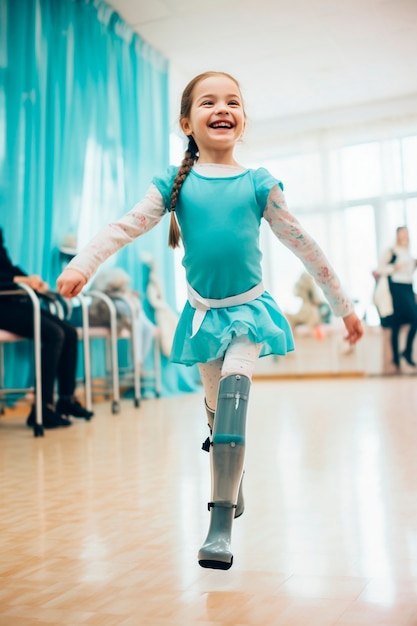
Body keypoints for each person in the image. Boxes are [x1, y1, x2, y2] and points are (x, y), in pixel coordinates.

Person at [57, 71, 363, 569]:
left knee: (236, 394)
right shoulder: (174, 186)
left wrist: (344, 306)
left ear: (242, 120)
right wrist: (83, 264)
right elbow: (124, 228)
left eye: (233, 101)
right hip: (203, 317)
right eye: (208, 102)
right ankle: (232, 479)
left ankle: (219, 525)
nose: (222, 108)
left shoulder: (259, 183)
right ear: (187, 122)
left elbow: (305, 246)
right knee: (217, 411)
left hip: (249, 312)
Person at [0, 228, 94, 429]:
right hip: (3, 302)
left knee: (69, 331)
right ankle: (43, 409)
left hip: (12, 297)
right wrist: (21, 281)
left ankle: (66, 400)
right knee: (55, 334)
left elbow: (6, 267)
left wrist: (31, 280)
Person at [377, 225, 417, 369]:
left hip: (408, 287)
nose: (404, 236)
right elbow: (380, 269)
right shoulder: (392, 251)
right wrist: (395, 267)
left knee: (408, 321)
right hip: (396, 288)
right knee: (398, 322)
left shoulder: (409, 253)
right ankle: (397, 358)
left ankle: (404, 353)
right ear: (398, 235)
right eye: (402, 233)